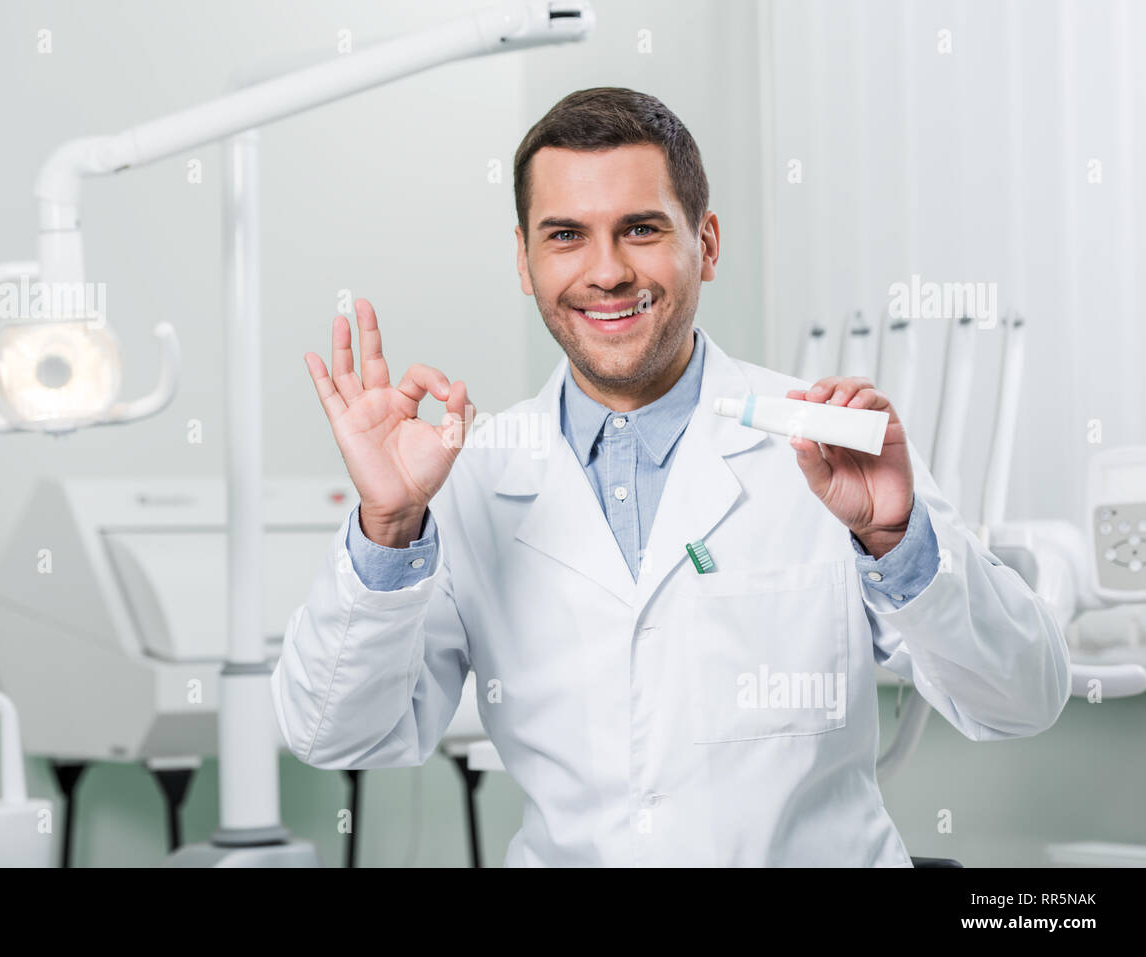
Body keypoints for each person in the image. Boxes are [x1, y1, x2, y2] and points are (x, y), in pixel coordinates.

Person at [272, 87, 1070, 866]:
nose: (607, 271)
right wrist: (386, 526)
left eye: (641, 229)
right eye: (565, 235)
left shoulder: (831, 443)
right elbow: (335, 734)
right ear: (524, 259)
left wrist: (896, 541)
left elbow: (1024, 697)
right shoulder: (473, 480)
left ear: (707, 244)